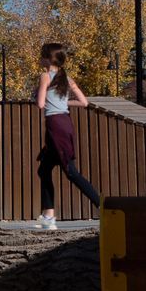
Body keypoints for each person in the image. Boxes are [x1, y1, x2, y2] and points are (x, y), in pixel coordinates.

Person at [34, 41, 100, 230]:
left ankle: (103, 207)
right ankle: (48, 217)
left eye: (41, 55)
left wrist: (44, 98)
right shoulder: (67, 78)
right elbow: (84, 102)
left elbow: (40, 104)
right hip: (65, 123)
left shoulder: (45, 76)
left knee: (71, 172)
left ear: (48, 58)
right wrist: (63, 104)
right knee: (44, 170)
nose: (39, 58)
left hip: (55, 126)